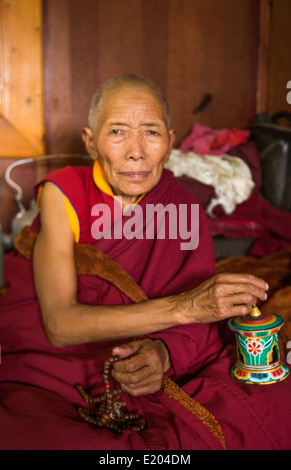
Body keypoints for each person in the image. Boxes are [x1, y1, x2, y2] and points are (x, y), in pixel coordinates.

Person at [1, 74, 287, 451]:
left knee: (275, 402)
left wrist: (165, 354)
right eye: (117, 131)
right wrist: (186, 308)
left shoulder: (182, 206)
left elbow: (199, 326)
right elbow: (60, 326)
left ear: (169, 143)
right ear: (90, 142)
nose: (136, 151)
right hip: (56, 369)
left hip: (147, 367)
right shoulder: (63, 193)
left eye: (151, 132)